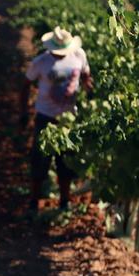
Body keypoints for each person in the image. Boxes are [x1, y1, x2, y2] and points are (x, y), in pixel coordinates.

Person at [25, 26, 91, 213]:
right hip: (45, 118)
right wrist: (24, 112)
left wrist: (89, 90)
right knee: (39, 161)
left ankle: (64, 201)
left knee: (66, 163)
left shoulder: (79, 56)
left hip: (69, 120)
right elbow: (26, 84)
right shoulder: (41, 62)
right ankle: (34, 203)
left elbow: (86, 75)